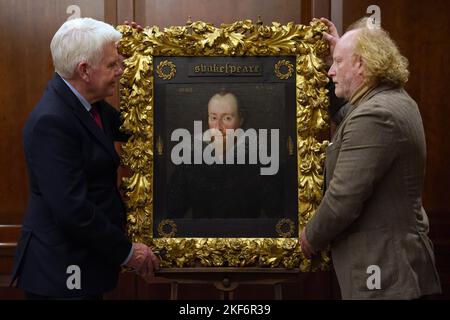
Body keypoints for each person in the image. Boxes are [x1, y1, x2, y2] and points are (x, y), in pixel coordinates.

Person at [10, 18, 159, 300]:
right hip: (61, 272)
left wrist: (141, 50)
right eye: (112, 64)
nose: (121, 70)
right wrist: (127, 252)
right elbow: (72, 210)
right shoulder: (52, 121)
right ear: (84, 70)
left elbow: (138, 129)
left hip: (82, 264)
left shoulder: (90, 105)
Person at [299, 18, 441, 299]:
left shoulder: (376, 115)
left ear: (361, 65)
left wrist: (310, 237)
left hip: (385, 275)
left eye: (338, 63)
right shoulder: (391, 100)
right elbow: (347, 115)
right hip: (395, 269)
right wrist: (340, 49)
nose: (330, 71)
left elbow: (342, 200)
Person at [167, 90, 282, 219]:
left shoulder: (260, 158)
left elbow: (277, 216)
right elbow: (171, 214)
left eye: (227, 118)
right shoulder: (191, 155)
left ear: (240, 120)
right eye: (213, 118)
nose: (218, 127)